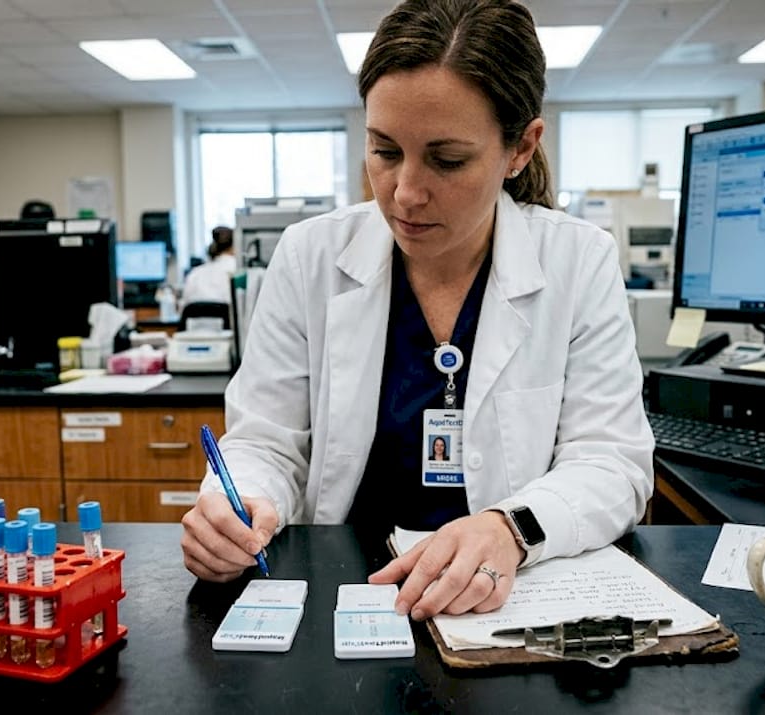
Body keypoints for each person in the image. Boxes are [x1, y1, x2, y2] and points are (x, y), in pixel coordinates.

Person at [181, 0, 653, 622]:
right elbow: (266, 441)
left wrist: (510, 529)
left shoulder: (577, 260)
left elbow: (611, 462)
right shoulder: (310, 256)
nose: (404, 192)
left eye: (447, 160)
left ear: (520, 148)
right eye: (383, 150)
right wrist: (235, 502)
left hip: (501, 605)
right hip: (344, 595)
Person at [180, 226, 236, 306]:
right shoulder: (237, 270)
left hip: (195, 318)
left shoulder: (195, 274)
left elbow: (183, 308)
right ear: (234, 246)